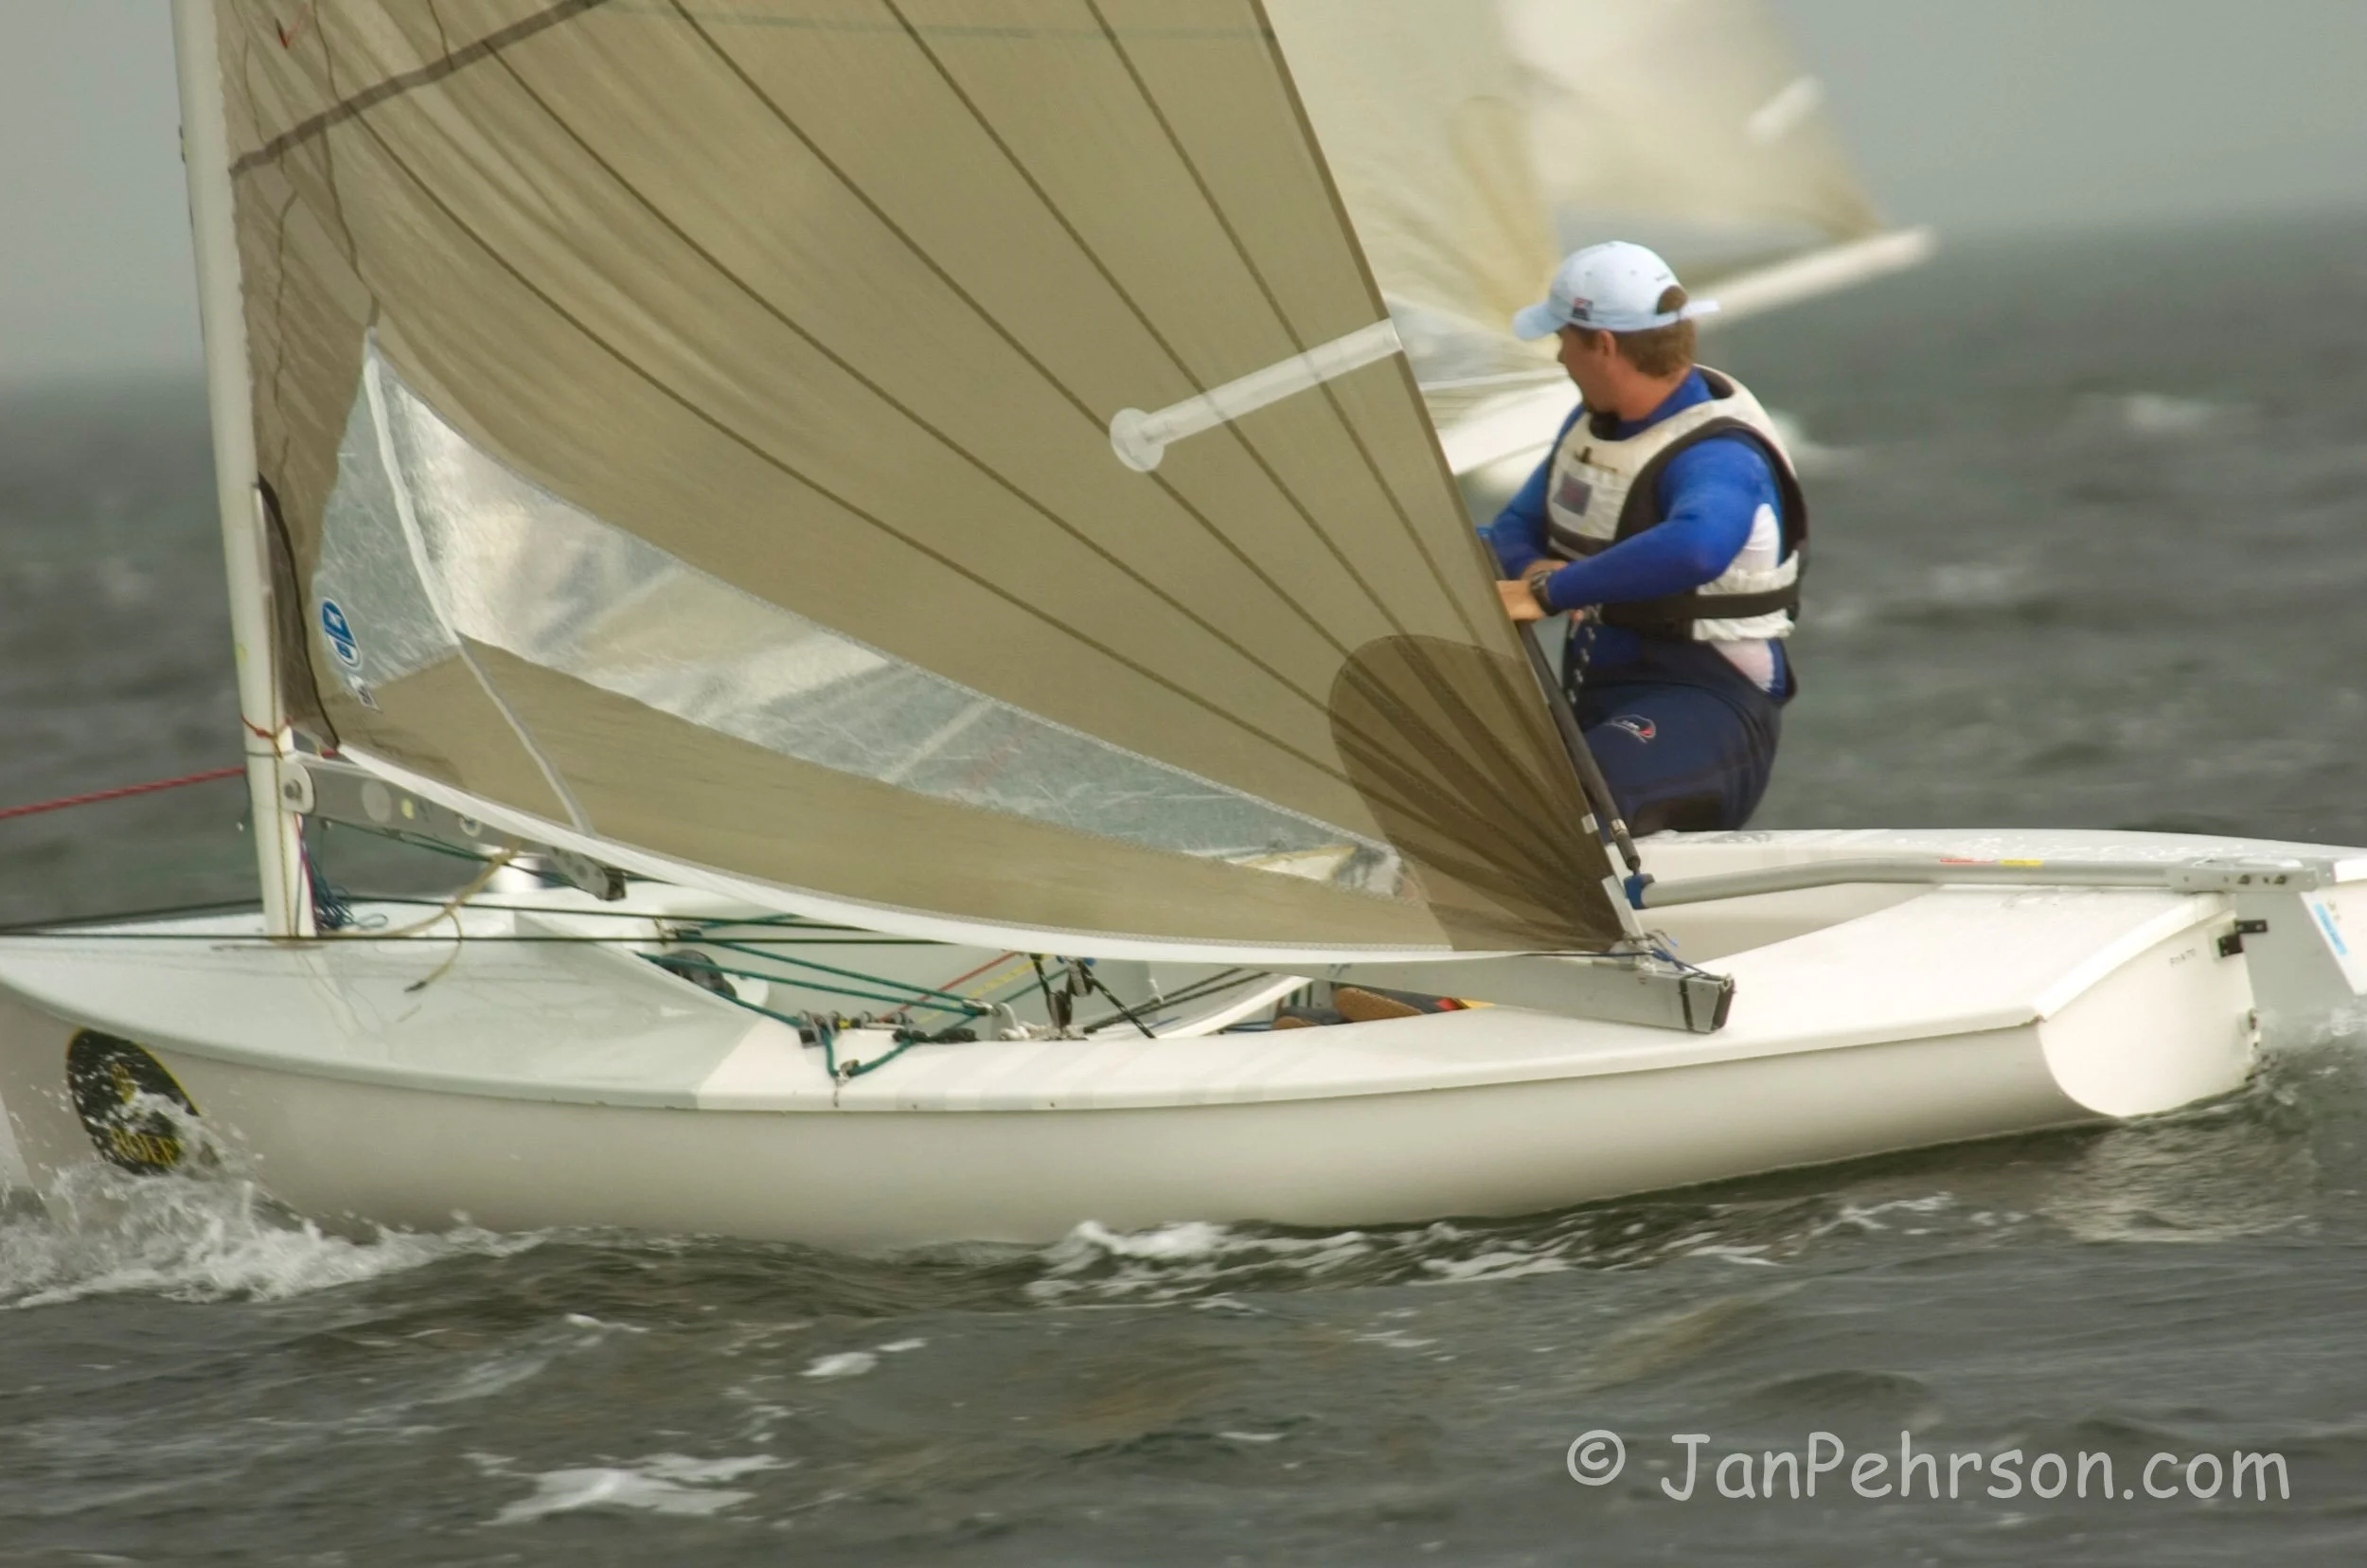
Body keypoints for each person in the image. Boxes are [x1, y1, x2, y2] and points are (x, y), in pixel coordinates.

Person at [1483, 241, 1807, 835]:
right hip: (1600, 697)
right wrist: (1533, 573)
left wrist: (1552, 592)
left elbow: (1698, 547)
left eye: (1563, 340)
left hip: (1707, 706)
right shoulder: (1592, 428)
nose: (1559, 358)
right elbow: (1511, 529)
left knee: (1573, 804)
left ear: (1602, 345)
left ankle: (1608, 926)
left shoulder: (1718, 455)